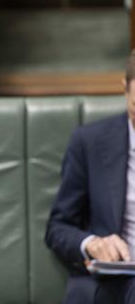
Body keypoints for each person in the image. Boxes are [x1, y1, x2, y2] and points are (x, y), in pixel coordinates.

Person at [46, 52, 135, 304]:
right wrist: (92, 243)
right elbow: (57, 228)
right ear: (125, 90)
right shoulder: (90, 142)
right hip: (117, 282)